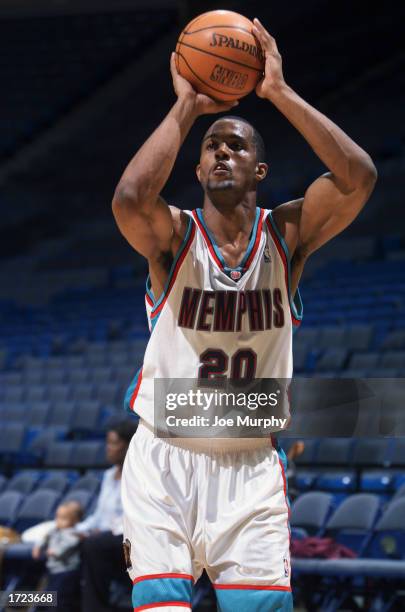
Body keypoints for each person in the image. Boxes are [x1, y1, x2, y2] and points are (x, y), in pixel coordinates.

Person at [112, 17, 376, 612]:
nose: (222, 151)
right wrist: (186, 107)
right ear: (199, 170)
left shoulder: (286, 234)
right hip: (164, 459)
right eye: (212, 146)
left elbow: (359, 178)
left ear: (260, 170)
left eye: (238, 145)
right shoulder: (174, 236)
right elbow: (129, 200)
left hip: (251, 466)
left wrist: (278, 92)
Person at [77, 419, 138, 612]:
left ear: (129, 445)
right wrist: (76, 530)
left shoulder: (140, 474)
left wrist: (103, 532)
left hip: (130, 540)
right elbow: (98, 515)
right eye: (107, 443)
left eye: (113, 443)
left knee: (95, 545)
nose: (108, 448)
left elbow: (135, 515)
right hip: (105, 538)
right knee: (68, 542)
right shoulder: (108, 475)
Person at [32, 501, 83, 612]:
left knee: (60, 600)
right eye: (57, 517)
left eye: (63, 518)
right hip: (53, 571)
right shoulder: (54, 530)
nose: (59, 521)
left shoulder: (73, 534)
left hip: (66, 572)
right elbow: (44, 537)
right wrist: (38, 547)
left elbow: (68, 545)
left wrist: (54, 551)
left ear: (75, 521)